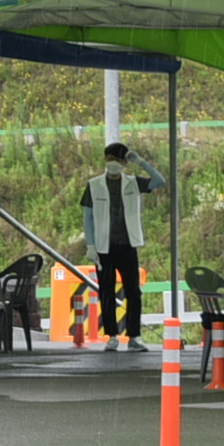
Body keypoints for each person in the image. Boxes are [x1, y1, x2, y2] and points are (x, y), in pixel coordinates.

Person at [81, 142, 166, 354]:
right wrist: (90, 245)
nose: (113, 164)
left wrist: (142, 162)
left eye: (118, 161)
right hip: (103, 248)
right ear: (105, 160)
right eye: (110, 160)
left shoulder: (133, 183)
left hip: (128, 246)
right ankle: (111, 336)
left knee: (133, 292)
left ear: (125, 163)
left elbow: (159, 181)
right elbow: (88, 217)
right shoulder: (94, 184)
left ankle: (134, 336)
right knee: (106, 293)